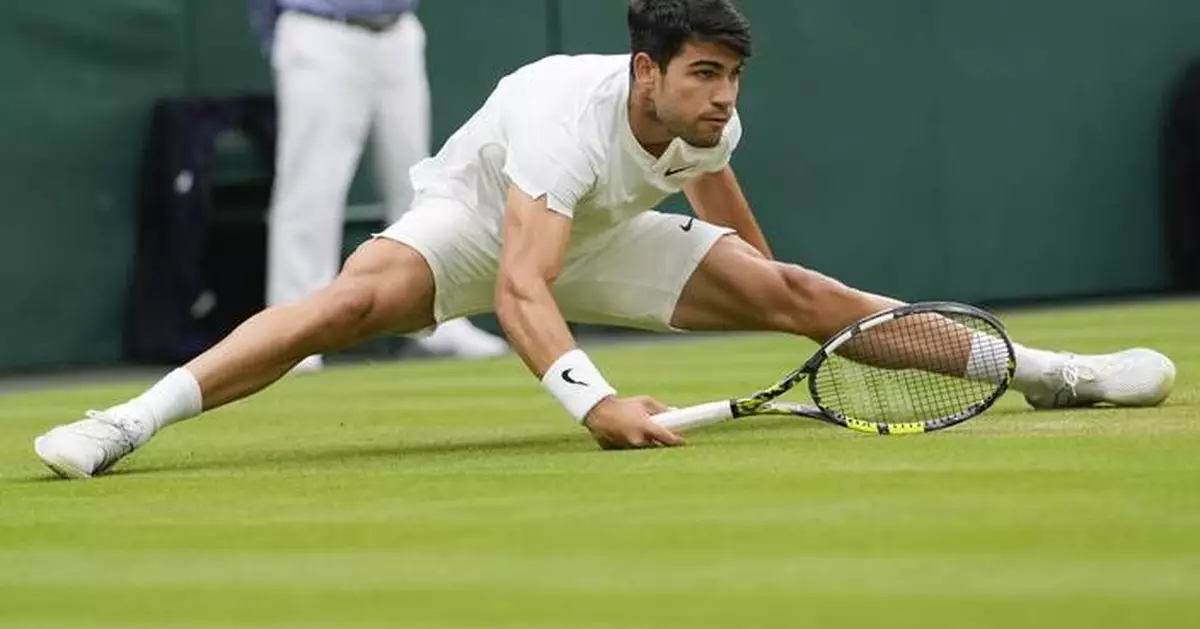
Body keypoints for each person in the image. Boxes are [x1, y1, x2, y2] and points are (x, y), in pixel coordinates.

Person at [35, 0, 1175, 478]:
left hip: (602, 237)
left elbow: (739, 229)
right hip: (480, 232)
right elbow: (524, 286)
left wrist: (784, 296)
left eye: (732, 78)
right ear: (647, 71)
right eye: (704, 76)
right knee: (338, 304)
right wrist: (597, 402)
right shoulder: (560, 112)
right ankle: (125, 420)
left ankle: (1050, 373)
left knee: (817, 292)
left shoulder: (712, 117)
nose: (724, 97)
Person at [247, 0, 507, 370]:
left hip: (399, 31)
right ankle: (292, 338)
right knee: (310, 193)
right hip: (321, 30)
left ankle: (438, 318)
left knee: (417, 185)